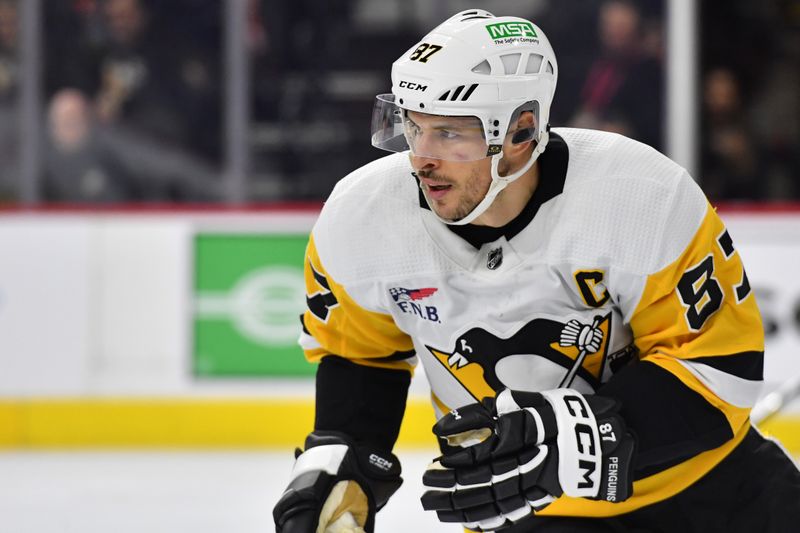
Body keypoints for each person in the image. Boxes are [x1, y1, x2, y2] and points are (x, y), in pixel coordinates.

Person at [273, 9, 800, 533]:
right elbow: (360, 358)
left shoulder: (642, 197)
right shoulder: (361, 217)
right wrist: (343, 461)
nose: (421, 159)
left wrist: (579, 436)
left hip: (709, 491)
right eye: (413, 126)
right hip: (532, 514)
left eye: (452, 133)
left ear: (522, 131)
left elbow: (721, 368)